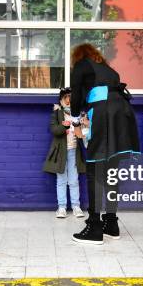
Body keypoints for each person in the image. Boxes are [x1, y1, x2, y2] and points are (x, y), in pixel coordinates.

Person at [70, 43, 140, 245]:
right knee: (111, 171)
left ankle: (94, 227)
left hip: (102, 114)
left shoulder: (82, 65)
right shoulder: (109, 70)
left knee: (94, 167)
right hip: (122, 114)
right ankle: (111, 222)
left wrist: (75, 121)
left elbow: (76, 94)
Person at [42, 87, 86, 219]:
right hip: (60, 152)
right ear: (61, 100)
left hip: (74, 151)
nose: (68, 100)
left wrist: (84, 126)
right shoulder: (56, 113)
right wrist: (64, 127)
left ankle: (76, 206)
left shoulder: (78, 114)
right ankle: (61, 207)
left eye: (70, 98)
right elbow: (54, 130)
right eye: (65, 98)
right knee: (61, 180)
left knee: (74, 181)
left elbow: (83, 132)